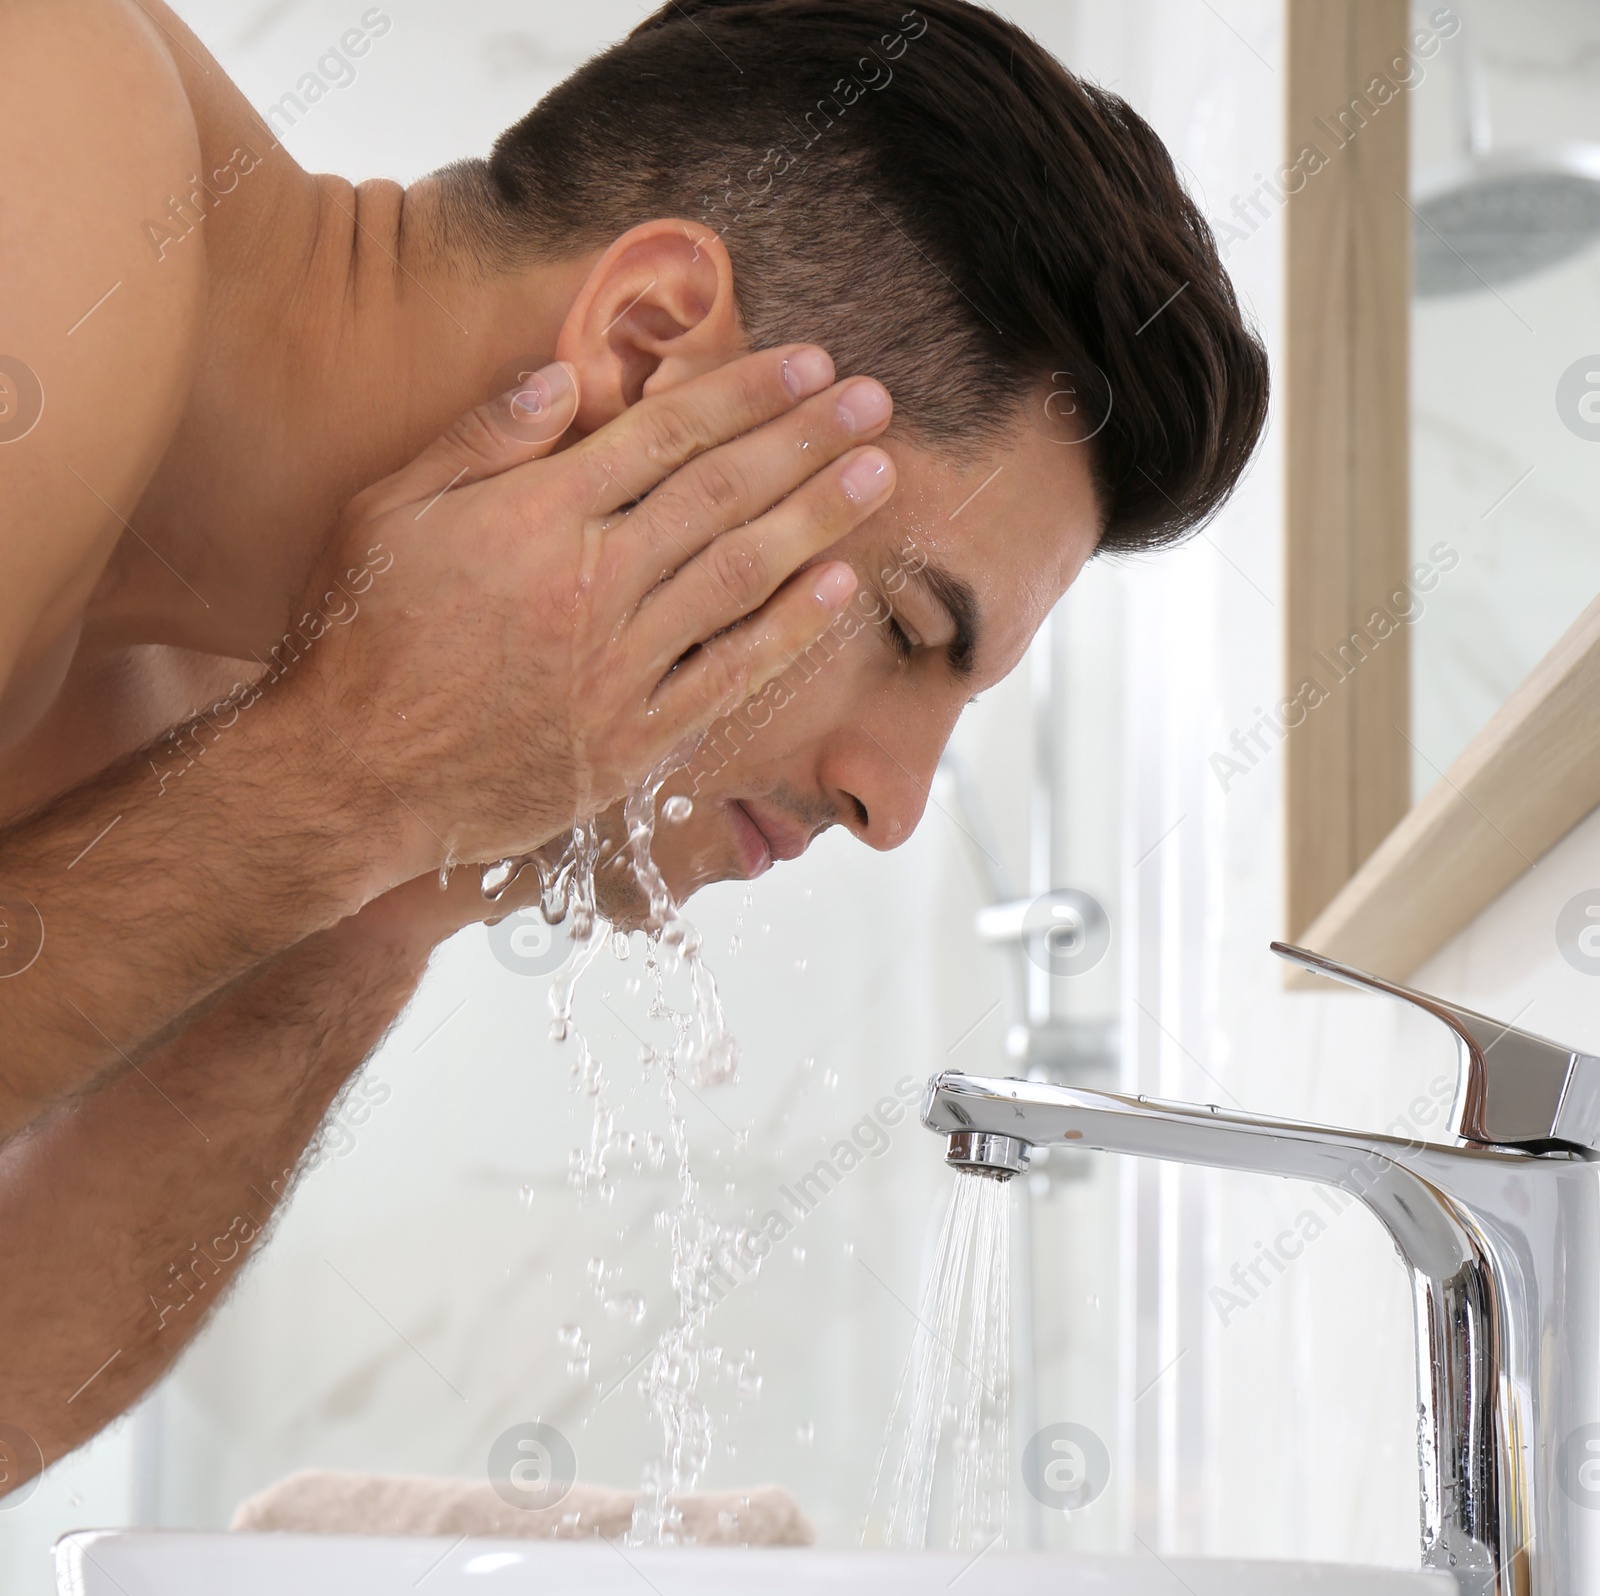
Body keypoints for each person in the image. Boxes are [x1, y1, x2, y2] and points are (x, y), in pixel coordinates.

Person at [0, 0, 1267, 1489]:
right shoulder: (53, 149)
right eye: (914, 634)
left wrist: (386, 879)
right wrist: (350, 776)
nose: (892, 805)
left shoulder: (228, 688)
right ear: (652, 343)